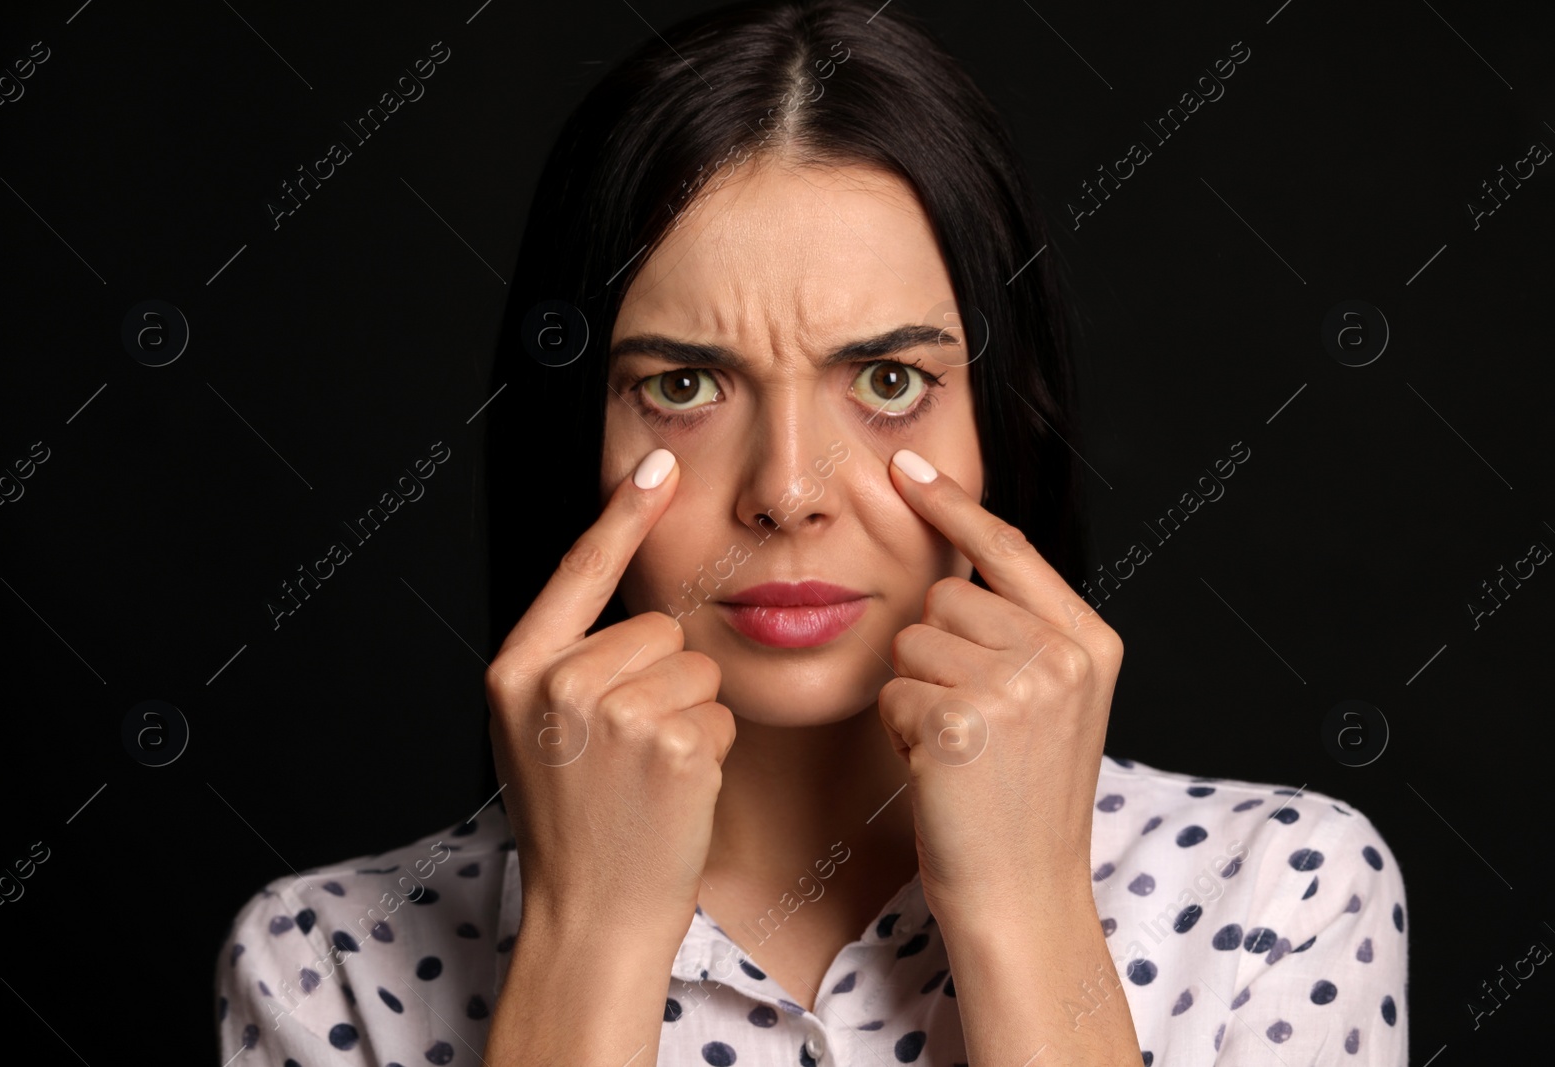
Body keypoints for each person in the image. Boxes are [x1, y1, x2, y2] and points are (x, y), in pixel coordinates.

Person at [213, 0, 1409, 1063]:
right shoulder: (327, 961)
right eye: (684, 384)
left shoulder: (1278, 890)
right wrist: (592, 938)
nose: (788, 490)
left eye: (888, 380)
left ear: (997, 424)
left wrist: (1027, 908)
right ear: (581, 436)